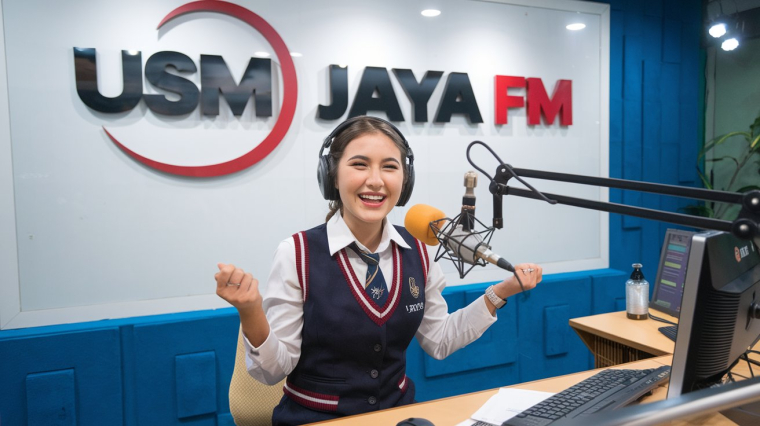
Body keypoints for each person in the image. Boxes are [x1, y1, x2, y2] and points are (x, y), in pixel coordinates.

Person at [215, 115, 542, 426]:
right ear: (332, 176)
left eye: (389, 166)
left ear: (405, 180)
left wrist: (501, 292)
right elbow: (272, 371)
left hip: (396, 416)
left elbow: (440, 340)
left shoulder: (419, 250)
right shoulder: (296, 253)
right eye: (359, 164)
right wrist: (251, 310)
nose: (375, 180)